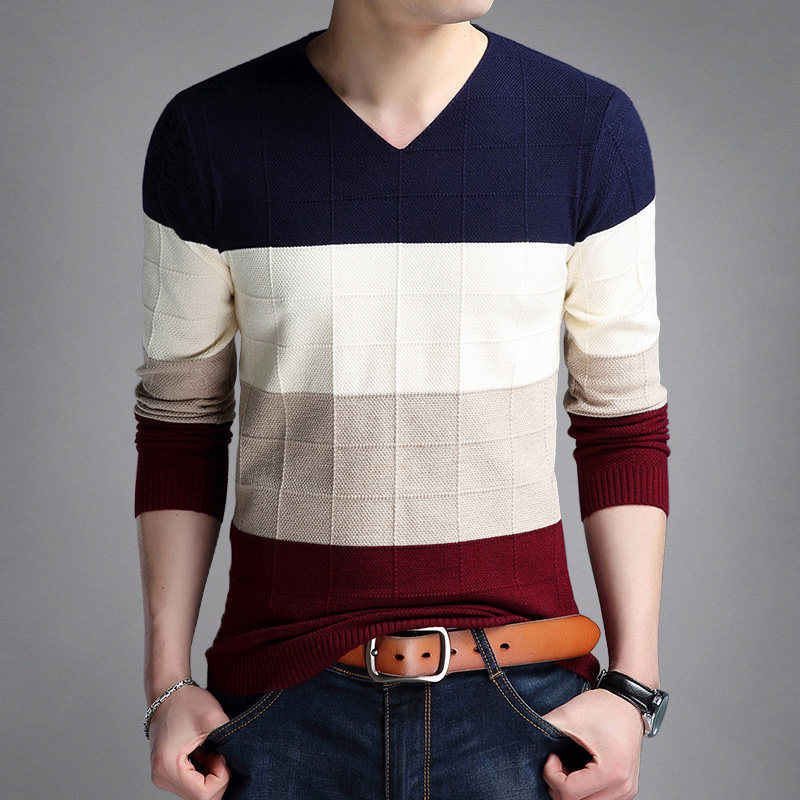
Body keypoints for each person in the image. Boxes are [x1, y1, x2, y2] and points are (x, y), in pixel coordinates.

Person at [134, 2, 671, 799]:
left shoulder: (586, 128)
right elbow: (181, 425)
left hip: (526, 715)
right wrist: (167, 686)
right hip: (280, 713)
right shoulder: (211, 132)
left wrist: (632, 688)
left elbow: (621, 424)